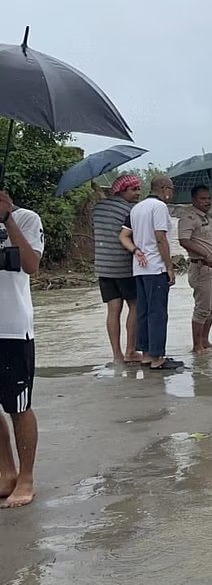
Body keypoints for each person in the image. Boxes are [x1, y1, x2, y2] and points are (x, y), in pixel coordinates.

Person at [0, 189, 43, 508]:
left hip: (12, 327)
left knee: (18, 406)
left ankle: (26, 477)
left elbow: (31, 265)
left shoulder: (27, 219)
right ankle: (5, 472)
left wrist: (7, 220)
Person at [118, 176, 182, 370]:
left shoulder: (137, 208)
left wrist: (136, 250)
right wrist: (169, 266)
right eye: (171, 189)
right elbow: (161, 237)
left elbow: (123, 235)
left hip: (139, 268)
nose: (172, 193)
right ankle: (157, 357)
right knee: (158, 313)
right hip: (156, 267)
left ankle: (146, 354)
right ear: (164, 189)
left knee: (144, 312)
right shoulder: (160, 207)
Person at [92, 174, 142, 364]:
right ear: (122, 190)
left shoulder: (97, 208)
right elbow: (133, 236)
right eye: (133, 189)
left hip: (103, 266)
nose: (137, 193)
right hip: (124, 265)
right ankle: (131, 350)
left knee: (113, 310)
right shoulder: (131, 210)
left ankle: (117, 355)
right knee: (135, 306)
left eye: (138, 189)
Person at [177, 184, 212, 353]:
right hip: (200, 267)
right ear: (194, 200)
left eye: (209, 198)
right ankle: (197, 345)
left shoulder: (210, 218)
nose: (207, 201)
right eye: (203, 198)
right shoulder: (189, 218)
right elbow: (184, 240)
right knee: (202, 309)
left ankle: (205, 339)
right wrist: (205, 254)